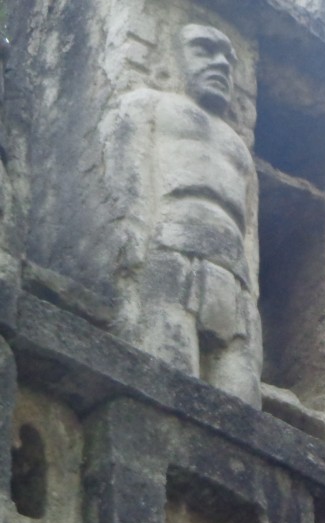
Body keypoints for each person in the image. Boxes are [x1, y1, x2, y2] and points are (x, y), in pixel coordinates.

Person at [100, 24, 261, 404]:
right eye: (204, 50)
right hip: (172, 252)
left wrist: (250, 291)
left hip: (234, 277)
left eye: (228, 58)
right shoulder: (145, 106)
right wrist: (131, 241)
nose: (221, 63)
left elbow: (250, 230)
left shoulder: (239, 149)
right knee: (169, 379)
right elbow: (129, 182)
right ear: (169, 57)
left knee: (242, 400)